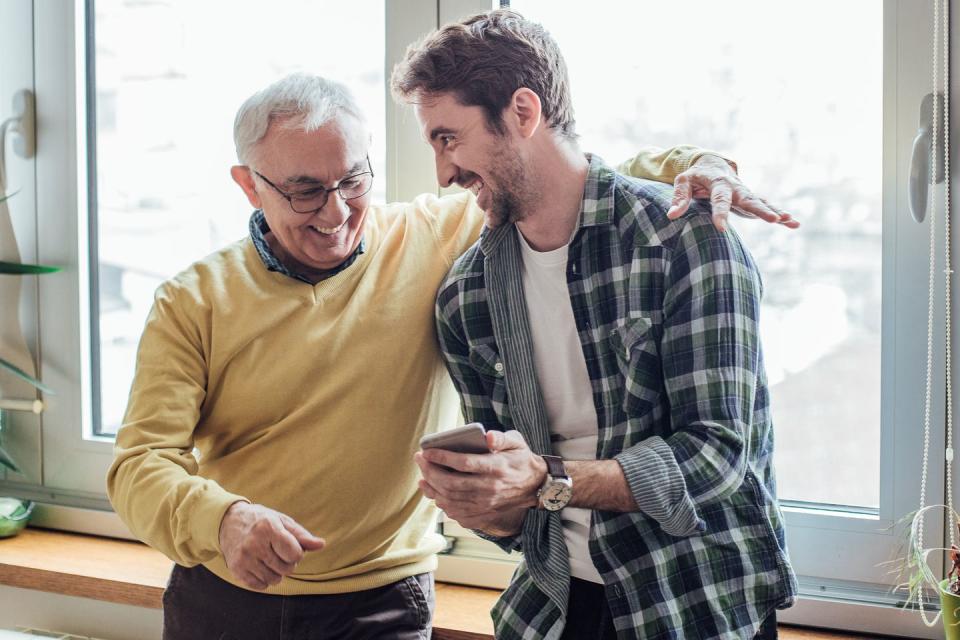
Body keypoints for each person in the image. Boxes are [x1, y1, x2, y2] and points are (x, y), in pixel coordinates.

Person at [106, 72, 791, 639]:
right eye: (305, 190)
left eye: (353, 180)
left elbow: (567, 171)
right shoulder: (192, 300)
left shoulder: (432, 235)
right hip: (226, 602)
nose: (337, 211)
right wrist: (220, 519)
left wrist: (696, 164)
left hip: (384, 605)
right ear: (248, 185)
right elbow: (139, 466)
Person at [395, 10, 797, 640]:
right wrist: (484, 497)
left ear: (524, 113)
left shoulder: (683, 243)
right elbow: (514, 520)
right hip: (554, 610)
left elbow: (716, 456)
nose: (442, 172)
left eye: (449, 139)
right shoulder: (466, 298)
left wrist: (546, 480)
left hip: (691, 607)